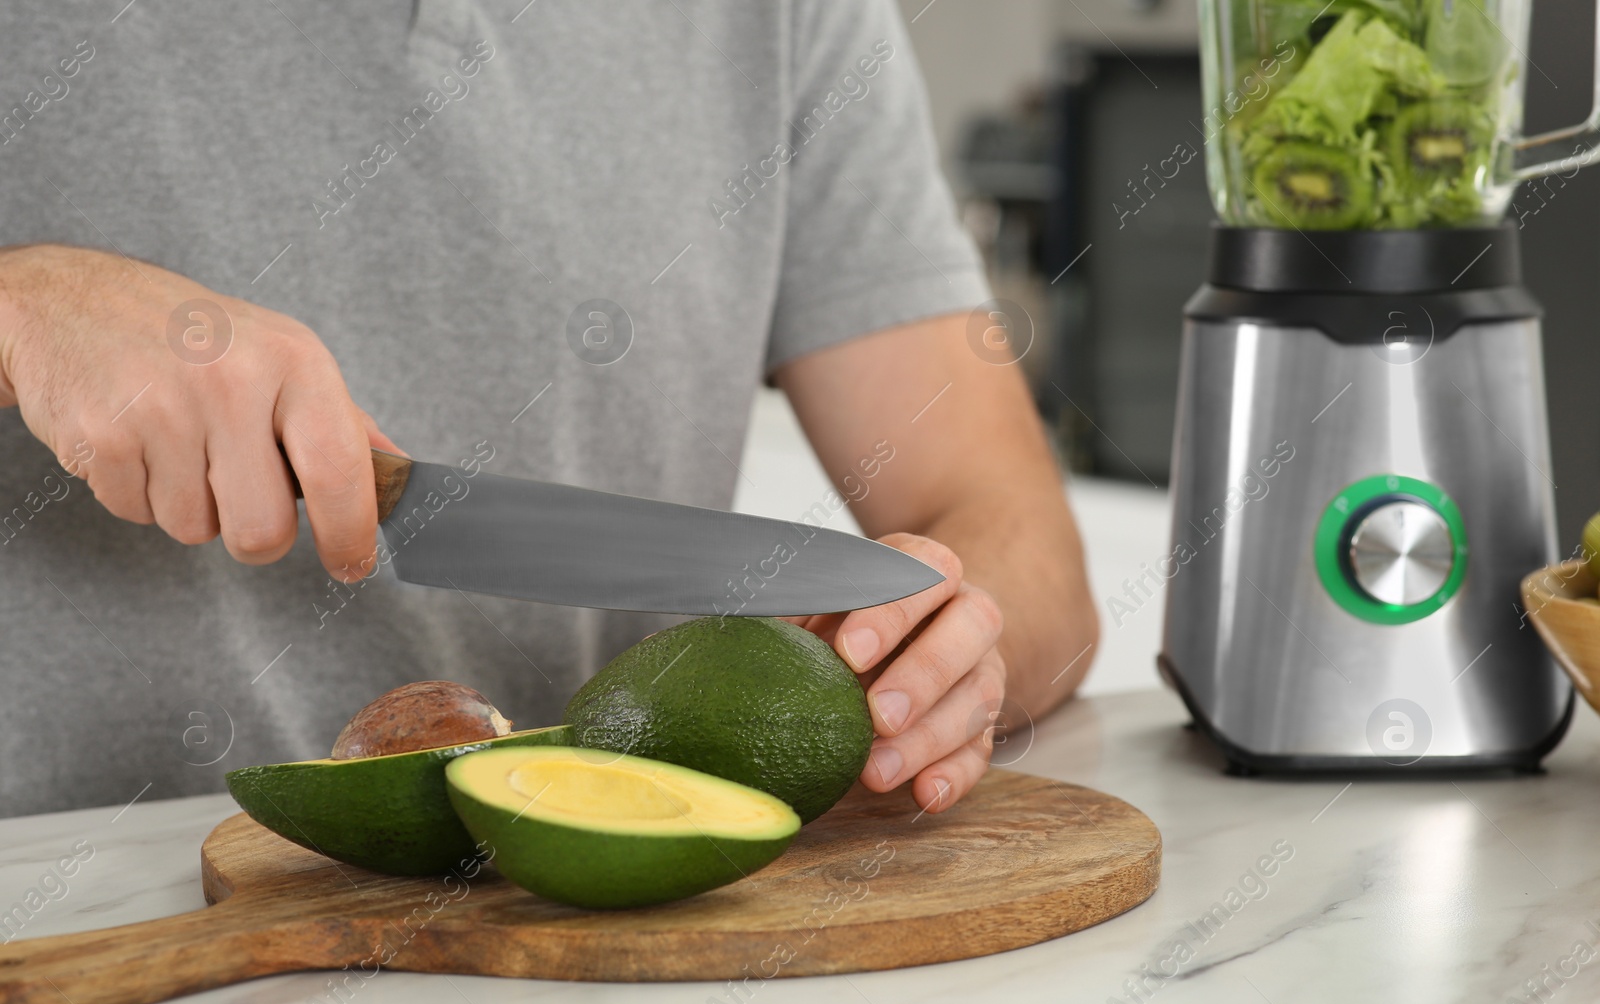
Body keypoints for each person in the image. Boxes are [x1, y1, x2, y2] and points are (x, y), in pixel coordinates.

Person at [0, 1, 1095, 819]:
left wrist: (934, 655)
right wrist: (21, 308)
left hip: (585, 937)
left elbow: (1009, 531)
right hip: (72, 943)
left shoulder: (789, 18)